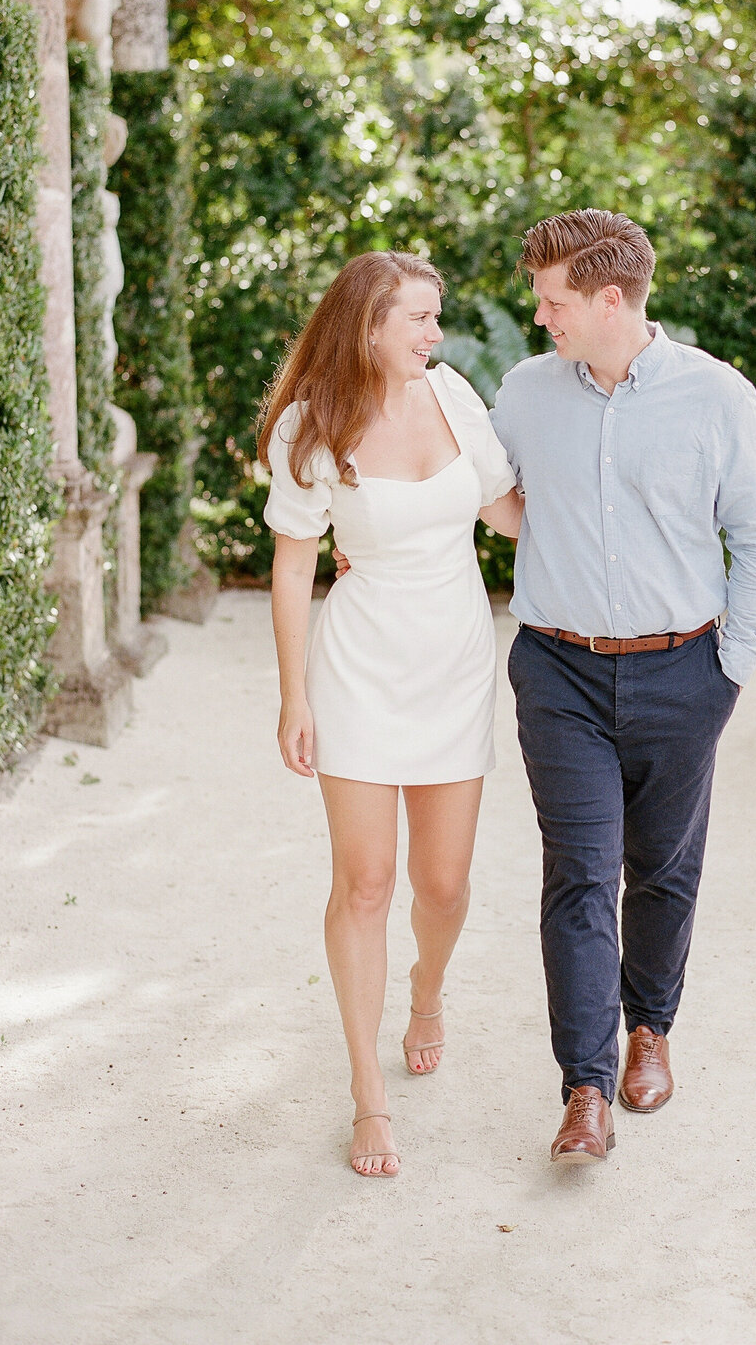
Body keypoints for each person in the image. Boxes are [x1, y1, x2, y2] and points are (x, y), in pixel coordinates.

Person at [490, 209, 756, 1161]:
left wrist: (727, 671)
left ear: (608, 299)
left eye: (554, 300)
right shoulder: (525, 393)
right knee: (579, 871)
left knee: (662, 867)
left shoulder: (718, 397)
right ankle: (585, 1087)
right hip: (561, 671)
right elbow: (475, 484)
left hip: (683, 669)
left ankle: (650, 1026)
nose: (541, 317)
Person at [259, 251, 522, 1178]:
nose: (433, 335)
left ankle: (427, 989)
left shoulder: (455, 397)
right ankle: (368, 1097)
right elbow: (295, 568)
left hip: (455, 667)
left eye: (435, 317)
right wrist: (294, 694)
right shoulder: (313, 422)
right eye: (417, 318)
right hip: (359, 672)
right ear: (367, 323)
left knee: (443, 885)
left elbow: (507, 512)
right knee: (364, 883)